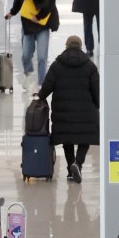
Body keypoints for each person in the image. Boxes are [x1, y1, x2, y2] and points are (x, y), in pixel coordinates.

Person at [39, 36, 99, 184]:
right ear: (80, 46)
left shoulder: (57, 65)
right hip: (86, 113)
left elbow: (46, 87)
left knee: (67, 140)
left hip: (63, 113)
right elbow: (97, 91)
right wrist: (97, 106)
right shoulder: (90, 66)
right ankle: (77, 164)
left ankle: (70, 170)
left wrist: (39, 97)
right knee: (85, 139)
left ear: (66, 46)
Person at [7, 0, 59, 90]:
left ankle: (42, 83)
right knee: (25, 55)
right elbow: (18, 0)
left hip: (42, 24)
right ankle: (28, 74)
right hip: (27, 24)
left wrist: (39, 16)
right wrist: (12, 12)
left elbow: (51, 3)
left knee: (42, 56)